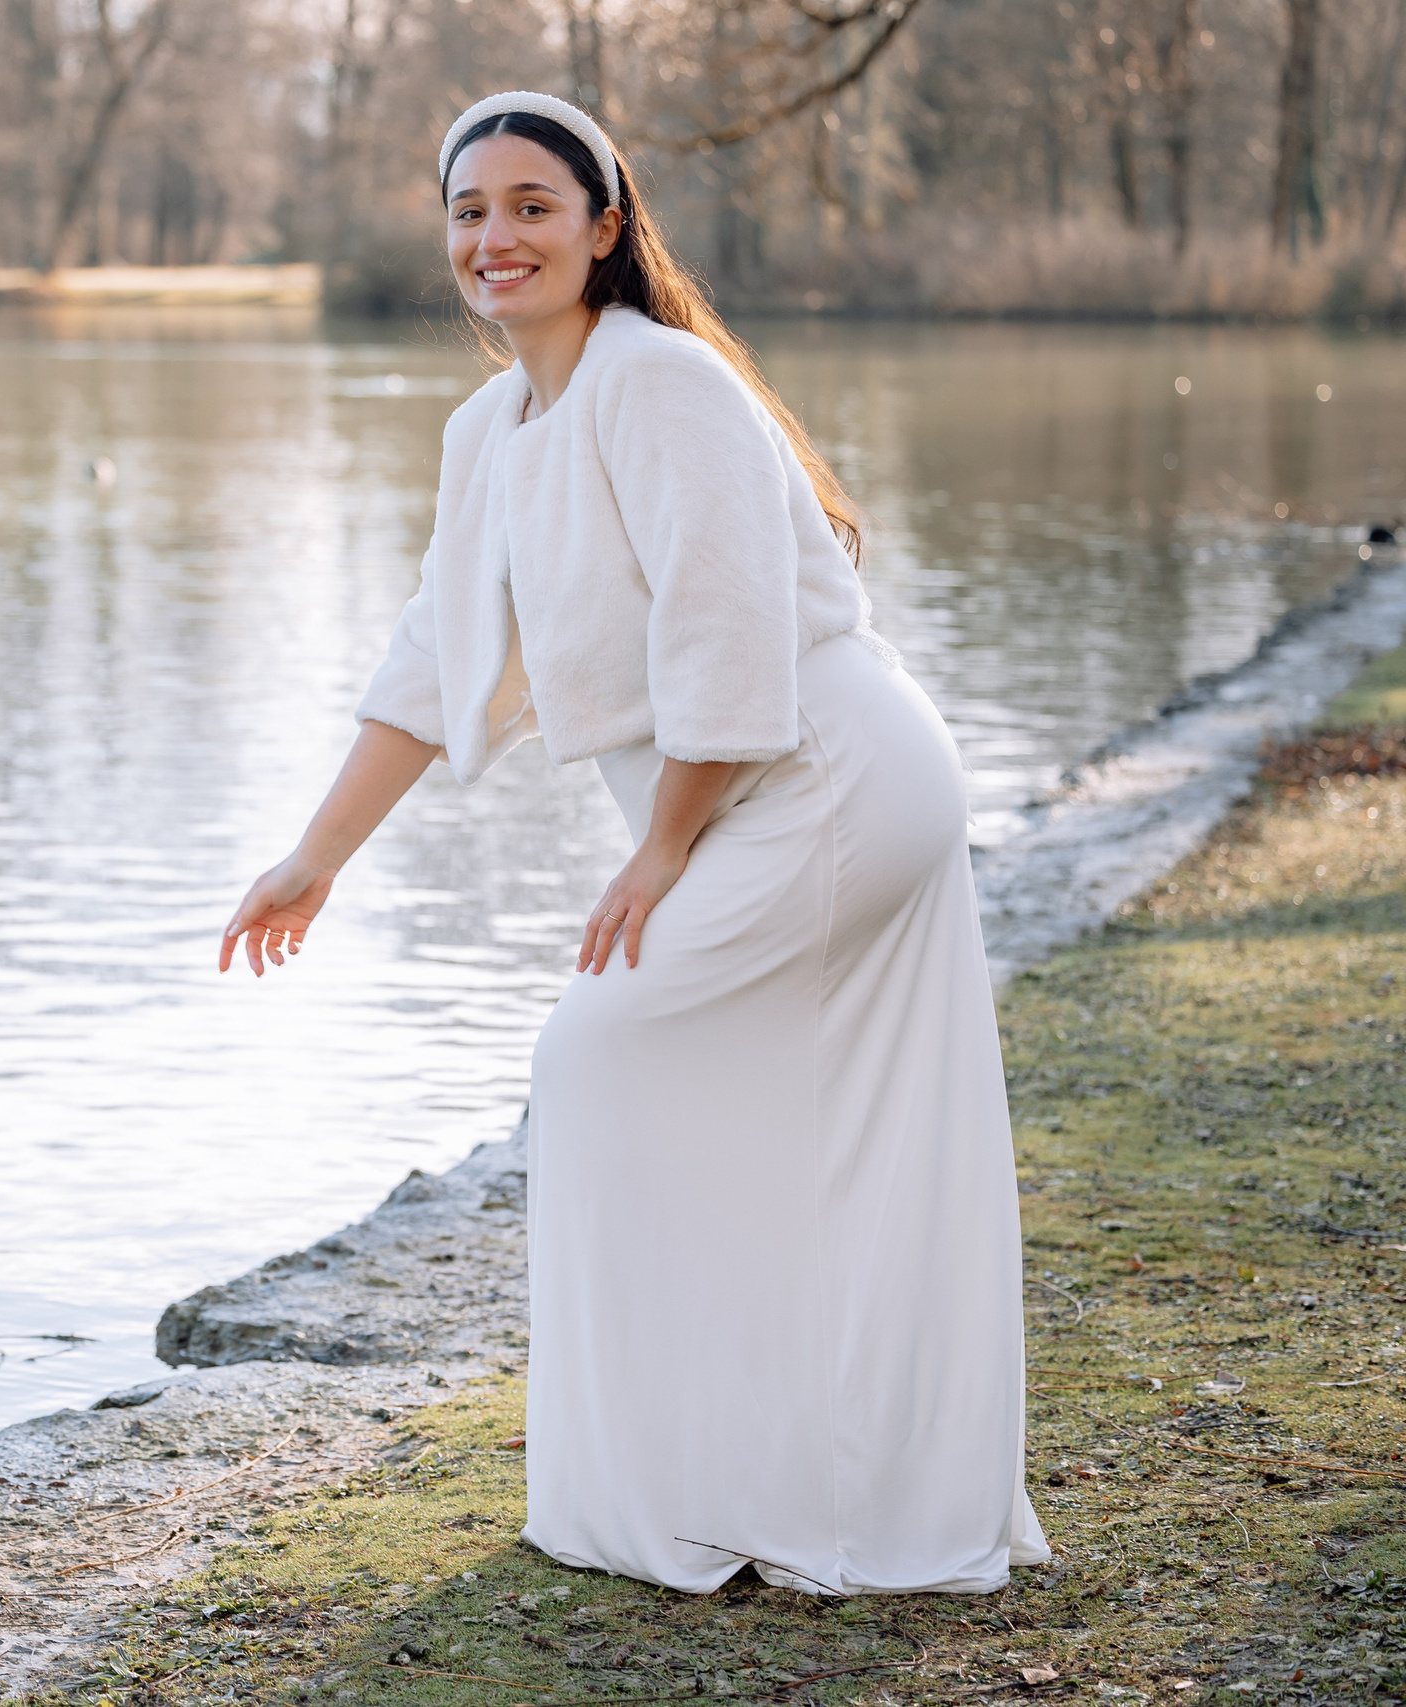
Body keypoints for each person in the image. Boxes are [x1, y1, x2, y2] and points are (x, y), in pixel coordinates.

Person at [218, 91, 1048, 1596]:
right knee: (743, 1120)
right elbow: (431, 657)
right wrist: (316, 856)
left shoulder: (659, 383)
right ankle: (746, 1481)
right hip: (745, 793)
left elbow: (733, 640)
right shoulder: (493, 429)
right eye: (471, 209)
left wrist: (662, 851)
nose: (496, 236)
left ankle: (723, 1491)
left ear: (605, 229)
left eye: (533, 206)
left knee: (598, 1059)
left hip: (822, 784)